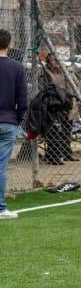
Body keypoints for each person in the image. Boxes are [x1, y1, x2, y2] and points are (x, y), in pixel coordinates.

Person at [0, 29, 26, 220]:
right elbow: (23, 99)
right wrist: (17, 119)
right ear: (9, 45)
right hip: (8, 120)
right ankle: (0, 207)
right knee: (1, 166)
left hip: (8, 120)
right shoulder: (17, 68)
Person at [35, 52, 78, 165]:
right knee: (55, 130)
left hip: (67, 103)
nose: (57, 62)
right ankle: (54, 155)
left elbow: (74, 85)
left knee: (66, 130)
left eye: (59, 59)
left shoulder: (66, 72)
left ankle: (67, 153)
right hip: (54, 105)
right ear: (49, 62)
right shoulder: (47, 73)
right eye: (54, 60)